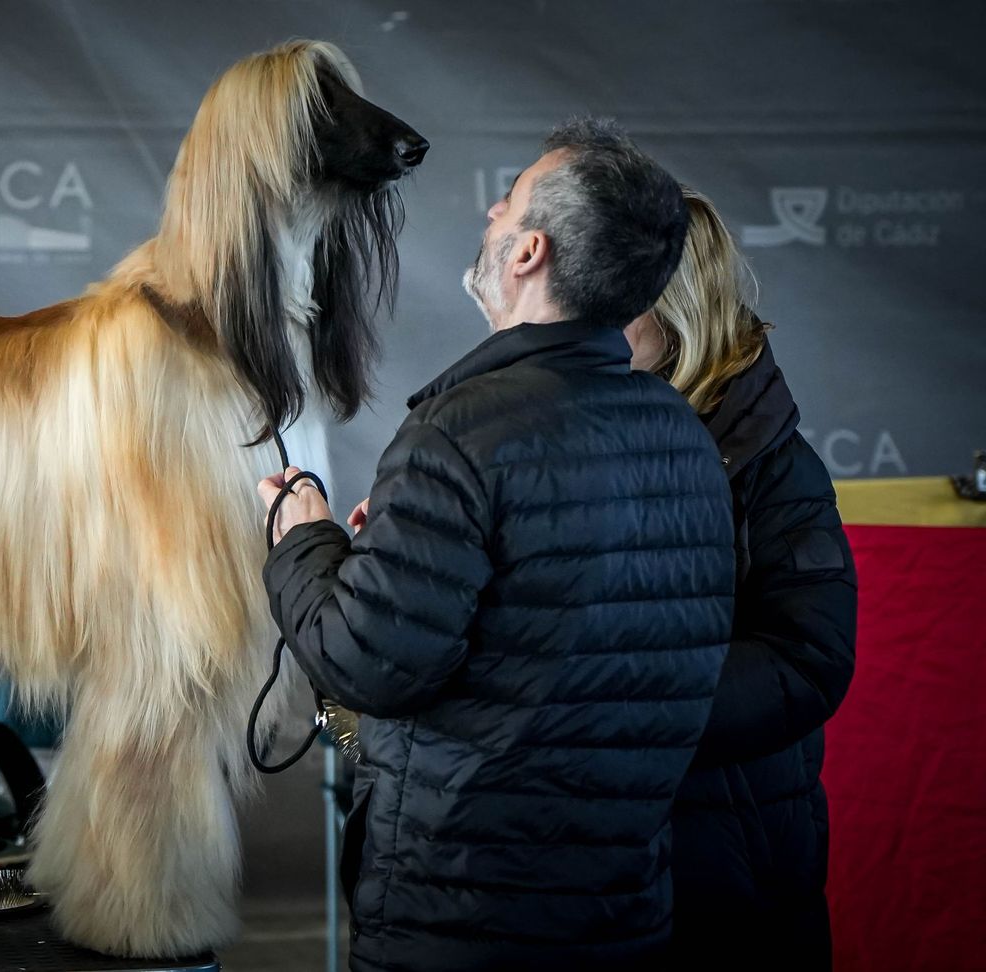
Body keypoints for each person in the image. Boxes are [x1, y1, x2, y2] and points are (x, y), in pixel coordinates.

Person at [255, 118, 736, 971]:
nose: (491, 212)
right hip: (622, 919)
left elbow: (366, 667)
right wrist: (398, 553)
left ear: (529, 253)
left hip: (460, 922)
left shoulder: (461, 431)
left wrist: (304, 536)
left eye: (507, 203)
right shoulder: (681, 433)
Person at [623, 189, 857, 971]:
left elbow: (807, 659)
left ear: (675, 308)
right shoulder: (574, 432)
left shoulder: (777, 467)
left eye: (613, 298)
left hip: (733, 879)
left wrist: (627, 705)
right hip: (594, 876)